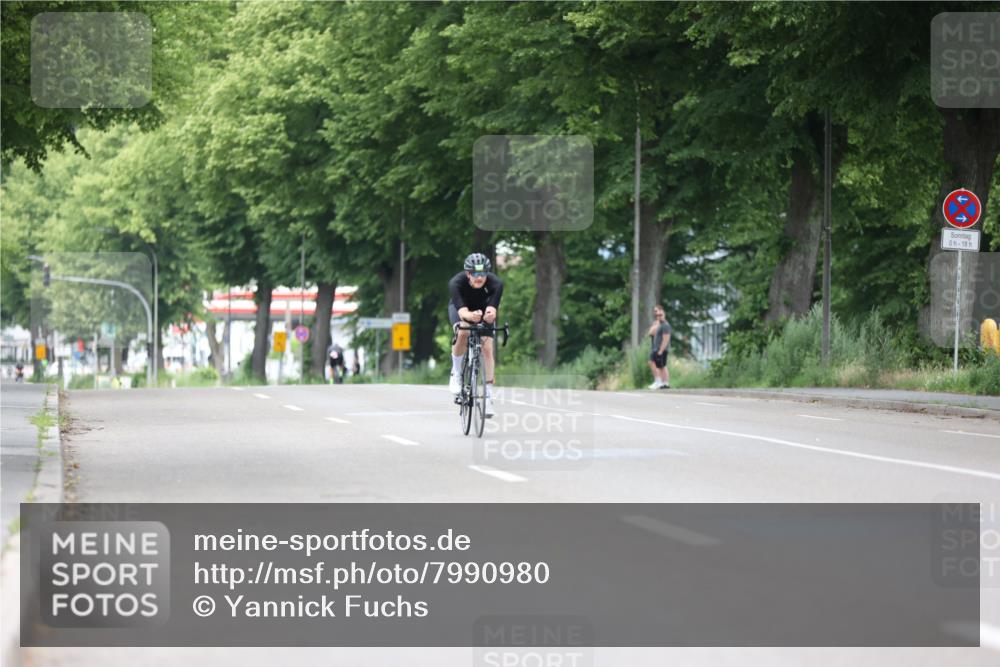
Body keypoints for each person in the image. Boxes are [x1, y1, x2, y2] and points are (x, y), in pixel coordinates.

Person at [448, 252, 503, 417]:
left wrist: (490, 315)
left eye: (483, 273)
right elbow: (463, 313)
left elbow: (492, 309)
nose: (479, 278)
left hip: (483, 310)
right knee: (463, 331)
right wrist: (470, 316)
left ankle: (488, 396)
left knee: (487, 348)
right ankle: (456, 372)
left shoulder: (496, 284)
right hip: (461, 309)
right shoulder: (456, 283)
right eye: (475, 274)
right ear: (468, 273)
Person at [647, 305, 671, 389]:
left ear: (663, 313)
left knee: (661, 366)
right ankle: (661, 382)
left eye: (659, 313)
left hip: (660, 348)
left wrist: (661, 350)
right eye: (655, 312)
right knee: (658, 365)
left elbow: (666, 339)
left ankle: (663, 382)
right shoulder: (659, 323)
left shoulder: (664, 325)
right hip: (656, 348)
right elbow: (650, 333)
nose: (657, 314)